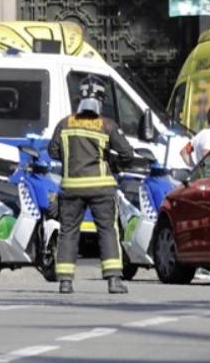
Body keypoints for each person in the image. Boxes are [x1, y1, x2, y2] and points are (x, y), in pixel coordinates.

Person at [48, 75, 135, 295]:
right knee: (107, 230)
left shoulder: (65, 123)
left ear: (80, 98)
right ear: (101, 100)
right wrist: (113, 163)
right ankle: (113, 281)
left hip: (71, 187)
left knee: (68, 232)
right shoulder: (107, 125)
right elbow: (127, 153)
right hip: (101, 188)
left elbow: (53, 151)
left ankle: (65, 282)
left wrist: (71, 160)